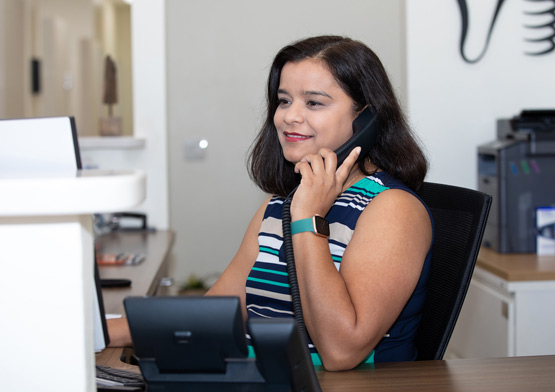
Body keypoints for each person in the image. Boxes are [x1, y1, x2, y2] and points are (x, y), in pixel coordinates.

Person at [109, 35, 432, 372]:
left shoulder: (392, 210)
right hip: (260, 374)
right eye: (283, 100)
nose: (290, 116)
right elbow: (215, 314)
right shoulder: (279, 204)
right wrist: (99, 332)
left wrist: (308, 218)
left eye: (314, 103)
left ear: (366, 120)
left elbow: (341, 351)